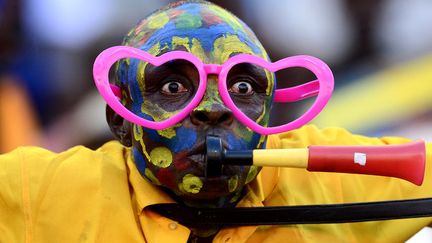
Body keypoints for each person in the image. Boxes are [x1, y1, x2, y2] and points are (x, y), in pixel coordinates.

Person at [1, 1, 431, 242]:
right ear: (120, 121)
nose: (214, 108)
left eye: (242, 88)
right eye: (172, 88)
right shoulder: (40, 191)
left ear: (270, 109)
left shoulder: (330, 179)